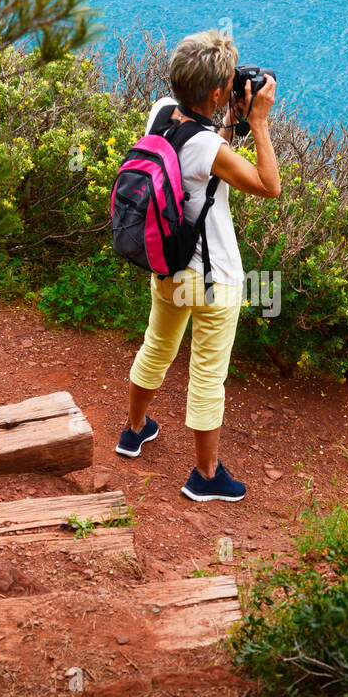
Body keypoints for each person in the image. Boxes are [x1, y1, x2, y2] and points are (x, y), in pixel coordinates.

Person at [115, 30, 280, 501]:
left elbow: (196, 143)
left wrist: (228, 120)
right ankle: (205, 477)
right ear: (215, 92)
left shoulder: (161, 112)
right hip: (212, 279)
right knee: (207, 375)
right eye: (228, 83)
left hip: (167, 267)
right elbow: (269, 186)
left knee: (157, 346)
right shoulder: (211, 150)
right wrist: (260, 123)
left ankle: (135, 429)